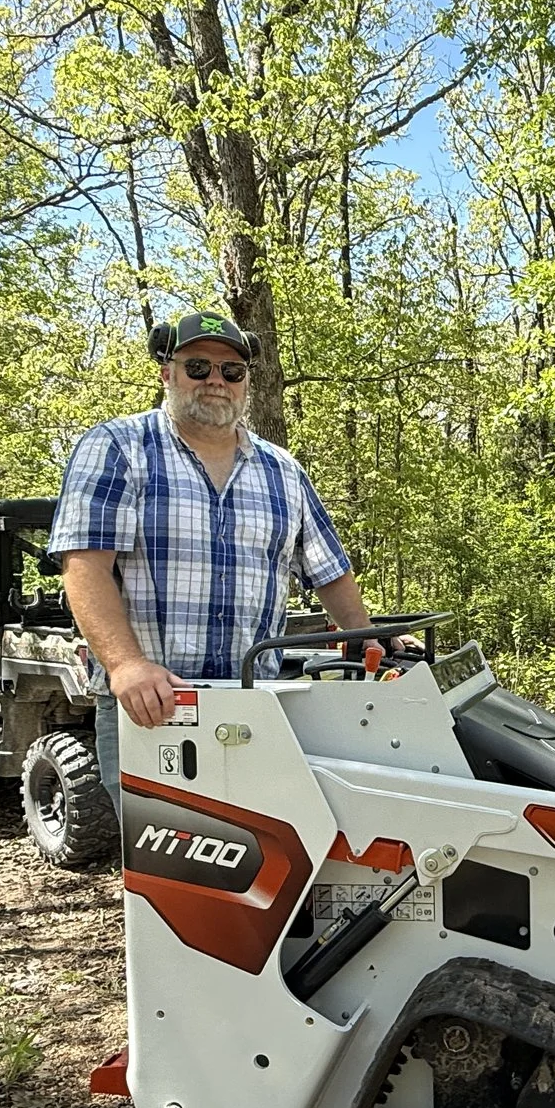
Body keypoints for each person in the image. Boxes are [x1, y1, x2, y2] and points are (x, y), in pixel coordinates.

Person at [54, 309, 375, 815]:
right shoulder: (118, 447)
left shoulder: (281, 470)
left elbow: (326, 566)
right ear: (167, 372)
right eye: (198, 367)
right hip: (156, 707)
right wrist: (126, 666)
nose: (216, 382)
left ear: (246, 382)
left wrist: (366, 635)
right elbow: (83, 566)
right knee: (165, 862)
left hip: (258, 704)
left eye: (232, 371)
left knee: (266, 852)